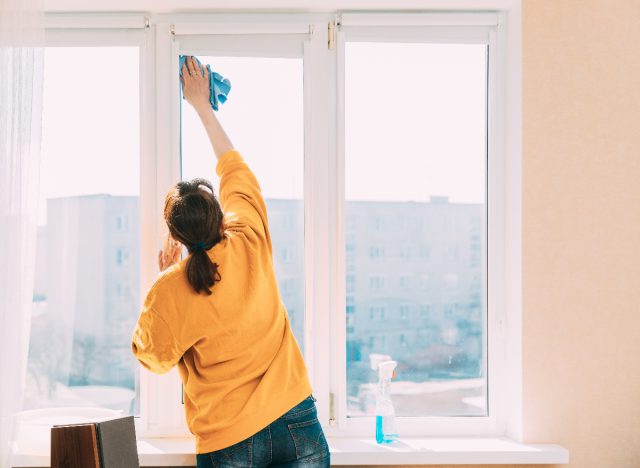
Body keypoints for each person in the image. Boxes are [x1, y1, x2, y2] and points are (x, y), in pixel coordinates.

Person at [131, 56, 329, 468]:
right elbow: (234, 166)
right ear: (220, 216)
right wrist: (201, 105)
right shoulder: (248, 235)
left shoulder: (170, 287)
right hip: (295, 419)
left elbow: (151, 357)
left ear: (178, 238)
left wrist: (167, 276)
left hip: (227, 439)